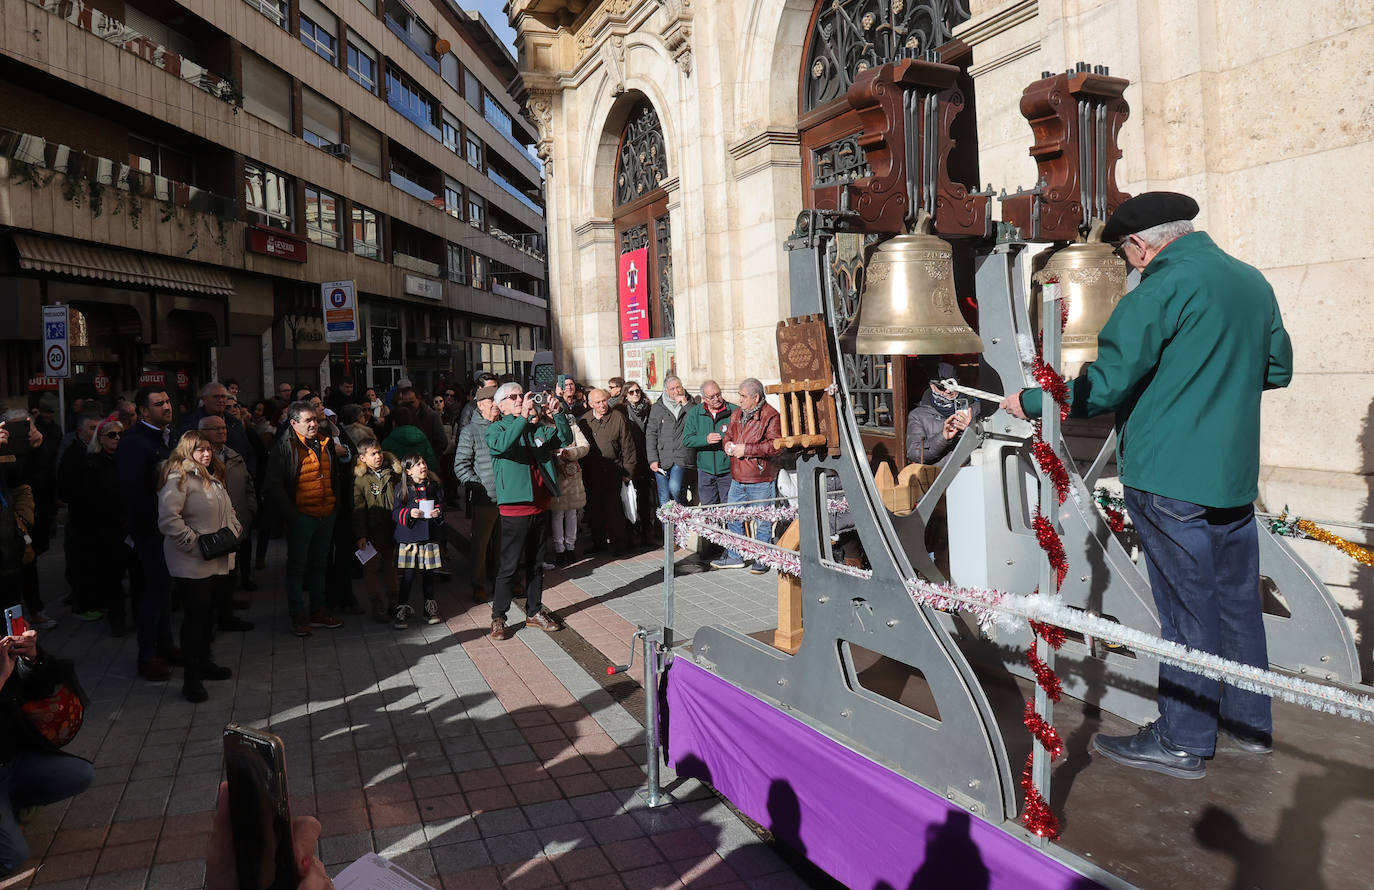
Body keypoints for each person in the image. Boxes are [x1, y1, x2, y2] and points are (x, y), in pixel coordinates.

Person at [1000, 191, 1293, 778]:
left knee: (1187, 614)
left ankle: (1184, 741)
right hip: (1232, 477)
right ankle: (1248, 724)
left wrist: (1031, 400)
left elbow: (1103, 388)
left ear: (1140, 245)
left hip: (1167, 475)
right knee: (1237, 604)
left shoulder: (1159, 287)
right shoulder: (1250, 281)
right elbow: (1276, 370)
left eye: (1126, 254)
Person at [0, 629, 95, 877]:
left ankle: (11, 806)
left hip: (12, 761)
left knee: (79, 774)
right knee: (12, 858)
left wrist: (31, 658)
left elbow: (38, 688)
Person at [157, 431, 243, 702]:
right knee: (194, 619)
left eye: (208, 449)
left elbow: (227, 511)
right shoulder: (179, 478)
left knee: (207, 617)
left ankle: (205, 662)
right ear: (187, 451)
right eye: (200, 450)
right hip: (191, 562)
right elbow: (169, 519)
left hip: (217, 557)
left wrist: (234, 531)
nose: (206, 454)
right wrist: (194, 544)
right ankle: (191, 679)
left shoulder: (212, 476)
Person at [485, 383, 571, 640]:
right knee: (509, 566)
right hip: (515, 507)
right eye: (515, 396)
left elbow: (565, 439)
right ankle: (498, 617)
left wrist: (557, 414)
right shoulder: (496, 428)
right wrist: (523, 418)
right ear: (501, 405)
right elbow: (502, 445)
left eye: (522, 395)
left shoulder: (533, 427)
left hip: (539, 503)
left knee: (536, 564)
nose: (521, 399)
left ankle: (534, 612)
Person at [265, 401, 346, 638]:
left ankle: (318, 611)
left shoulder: (325, 442)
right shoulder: (284, 447)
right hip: (302, 516)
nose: (313, 423)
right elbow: (274, 485)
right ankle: (298, 614)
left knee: (320, 564)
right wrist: (293, 515)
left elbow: (334, 476)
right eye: (307, 420)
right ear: (293, 423)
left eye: (314, 419)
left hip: (326, 513)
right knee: (297, 567)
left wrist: (335, 505)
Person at [117, 386, 179, 680]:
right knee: (152, 593)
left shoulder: (168, 437)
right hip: (150, 531)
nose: (166, 407)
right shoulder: (134, 442)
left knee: (165, 591)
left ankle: (166, 645)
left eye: (167, 402)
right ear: (143, 411)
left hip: (169, 527)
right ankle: (147, 656)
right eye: (158, 404)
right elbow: (132, 491)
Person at [713, 378, 782, 574]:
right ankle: (736, 556)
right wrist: (726, 444)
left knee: (762, 520)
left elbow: (775, 446)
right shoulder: (737, 413)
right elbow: (728, 434)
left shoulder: (770, 416)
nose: (739, 399)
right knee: (733, 516)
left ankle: (762, 558)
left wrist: (747, 450)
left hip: (760, 477)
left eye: (743, 396)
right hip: (738, 475)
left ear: (755, 397)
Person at [70, 419, 130, 636]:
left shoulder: (129, 460)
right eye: (111, 435)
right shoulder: (91, 464)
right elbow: (86, 499)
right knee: (112, 578)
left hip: (129, 526)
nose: (117, 439)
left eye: (120, 434)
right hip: (106, 530)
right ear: (101, 439)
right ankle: (117, 620)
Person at [199, 416, 256, 631]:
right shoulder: (198, 460)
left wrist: (249, 511)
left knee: (231, 570)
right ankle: (214, 614)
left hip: (235, 524)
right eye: (215, 428)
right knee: (212, 575)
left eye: (223, 427)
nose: (221, 432)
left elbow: (248, 485)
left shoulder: (234, 456)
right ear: (202, 432)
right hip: (209, 528)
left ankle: (226, 611)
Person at [453, 385, 501, 603]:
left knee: (504, 543)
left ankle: (503, 581)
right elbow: (461, 465)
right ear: (481, 405)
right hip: (484, 498)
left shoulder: (503, 426)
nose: (496, 405)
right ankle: (478, 584)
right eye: (492, 401)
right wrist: (475, 484)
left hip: (508, 497)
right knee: (480, 545)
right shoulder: (470, 431)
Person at [685, 381, 739, 563]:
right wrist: (705, 439)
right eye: (711, 397)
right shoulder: (695, 413)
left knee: (729, 509)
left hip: (727, 469)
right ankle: (711, 546)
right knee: (709, 509)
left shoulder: (734, 410)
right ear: (704, 399)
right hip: (706, 469)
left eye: (718, 394)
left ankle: (731, 549)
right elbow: (687, 440)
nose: (716, 399)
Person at [578, 388, 637, 556]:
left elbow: (628, 446)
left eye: (604, 400)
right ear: (590, 404)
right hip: (591, 472)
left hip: (613, 470)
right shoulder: (585, 420)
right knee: (595, 510)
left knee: (614, 510)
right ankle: (599, 543)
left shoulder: (618, 418)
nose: (602, 405)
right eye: (598, 402)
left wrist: (628, 470)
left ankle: (620, 545)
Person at [57, 412, 102, 620]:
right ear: (80, 431)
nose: (96, 432)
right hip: (82, 519)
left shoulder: (94, 451)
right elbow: (66, 489)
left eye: (98, 428)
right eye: (92, 428)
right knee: (82, 563)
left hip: (94, 519)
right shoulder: (74, 454)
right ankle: (82, 605)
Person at [390, 455, 444, 629]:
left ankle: (429, 607)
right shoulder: (402, 488)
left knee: (429, 574)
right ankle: (402, 608)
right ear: (408, 471)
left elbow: (441, 504)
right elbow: (395, 512)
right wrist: (409, 514)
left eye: (424, 462)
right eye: (417, 464)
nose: (422, 466)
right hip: (409, 538)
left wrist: (438, 511)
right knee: (408, 575)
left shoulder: (433, 486)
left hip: (429, 537)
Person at [353, 438, 401, 624]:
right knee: (371, 569)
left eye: (379, 452)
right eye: (373, 454)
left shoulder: (392, 474)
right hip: (372, 533)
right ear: (363, 458)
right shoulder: (361, 480)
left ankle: (394, 601)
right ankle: (376, 603)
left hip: (392, 530)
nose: (378, 456)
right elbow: (358, 509)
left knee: (391, 567)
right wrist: (361, 534)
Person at [905, 362, 979, 467]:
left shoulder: (975, 408)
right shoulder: (918, 415)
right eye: (942, 387)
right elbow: (913, 454)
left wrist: (972, 428)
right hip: (937, 477)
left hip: (970, 474)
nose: (948, 391)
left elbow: (990, 443)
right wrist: (943, 437)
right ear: (932, 386)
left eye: (952, 386)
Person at [548, 406, 590, 567]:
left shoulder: (572, 424)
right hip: (555, 474)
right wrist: (554, 454)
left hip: (572, 474)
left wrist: (570, 452)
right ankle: (559, 549)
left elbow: (584, 446)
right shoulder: (544, 426)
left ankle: (571, 546)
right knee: (557, 514)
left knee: (572, 512)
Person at [646, 376, 694, 508]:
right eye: (672, 389)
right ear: (666, 391)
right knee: (664, 498)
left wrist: (685, 405)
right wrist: (652, 459)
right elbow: (651, 434)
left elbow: (696, 422)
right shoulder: (657, 407)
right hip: (662, 457)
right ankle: (667, 529)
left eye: (678, 387)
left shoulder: (691, 404)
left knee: (675, 488)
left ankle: (682, 516)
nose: (676, 391)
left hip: (681, 455)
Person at [181, 382, 253, 459]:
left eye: (223, 396)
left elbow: (247, 451)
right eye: (216, 397)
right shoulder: (191, 422)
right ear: (204, 399)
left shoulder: (234, 422)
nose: (221, 400)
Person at [391, 386, 448, 459]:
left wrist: (430, 456)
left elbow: (442, 442)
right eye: (406, 403)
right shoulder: (398, 416)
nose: (409, 405)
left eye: (412, 402)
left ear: (419, 400)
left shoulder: (432, 416)